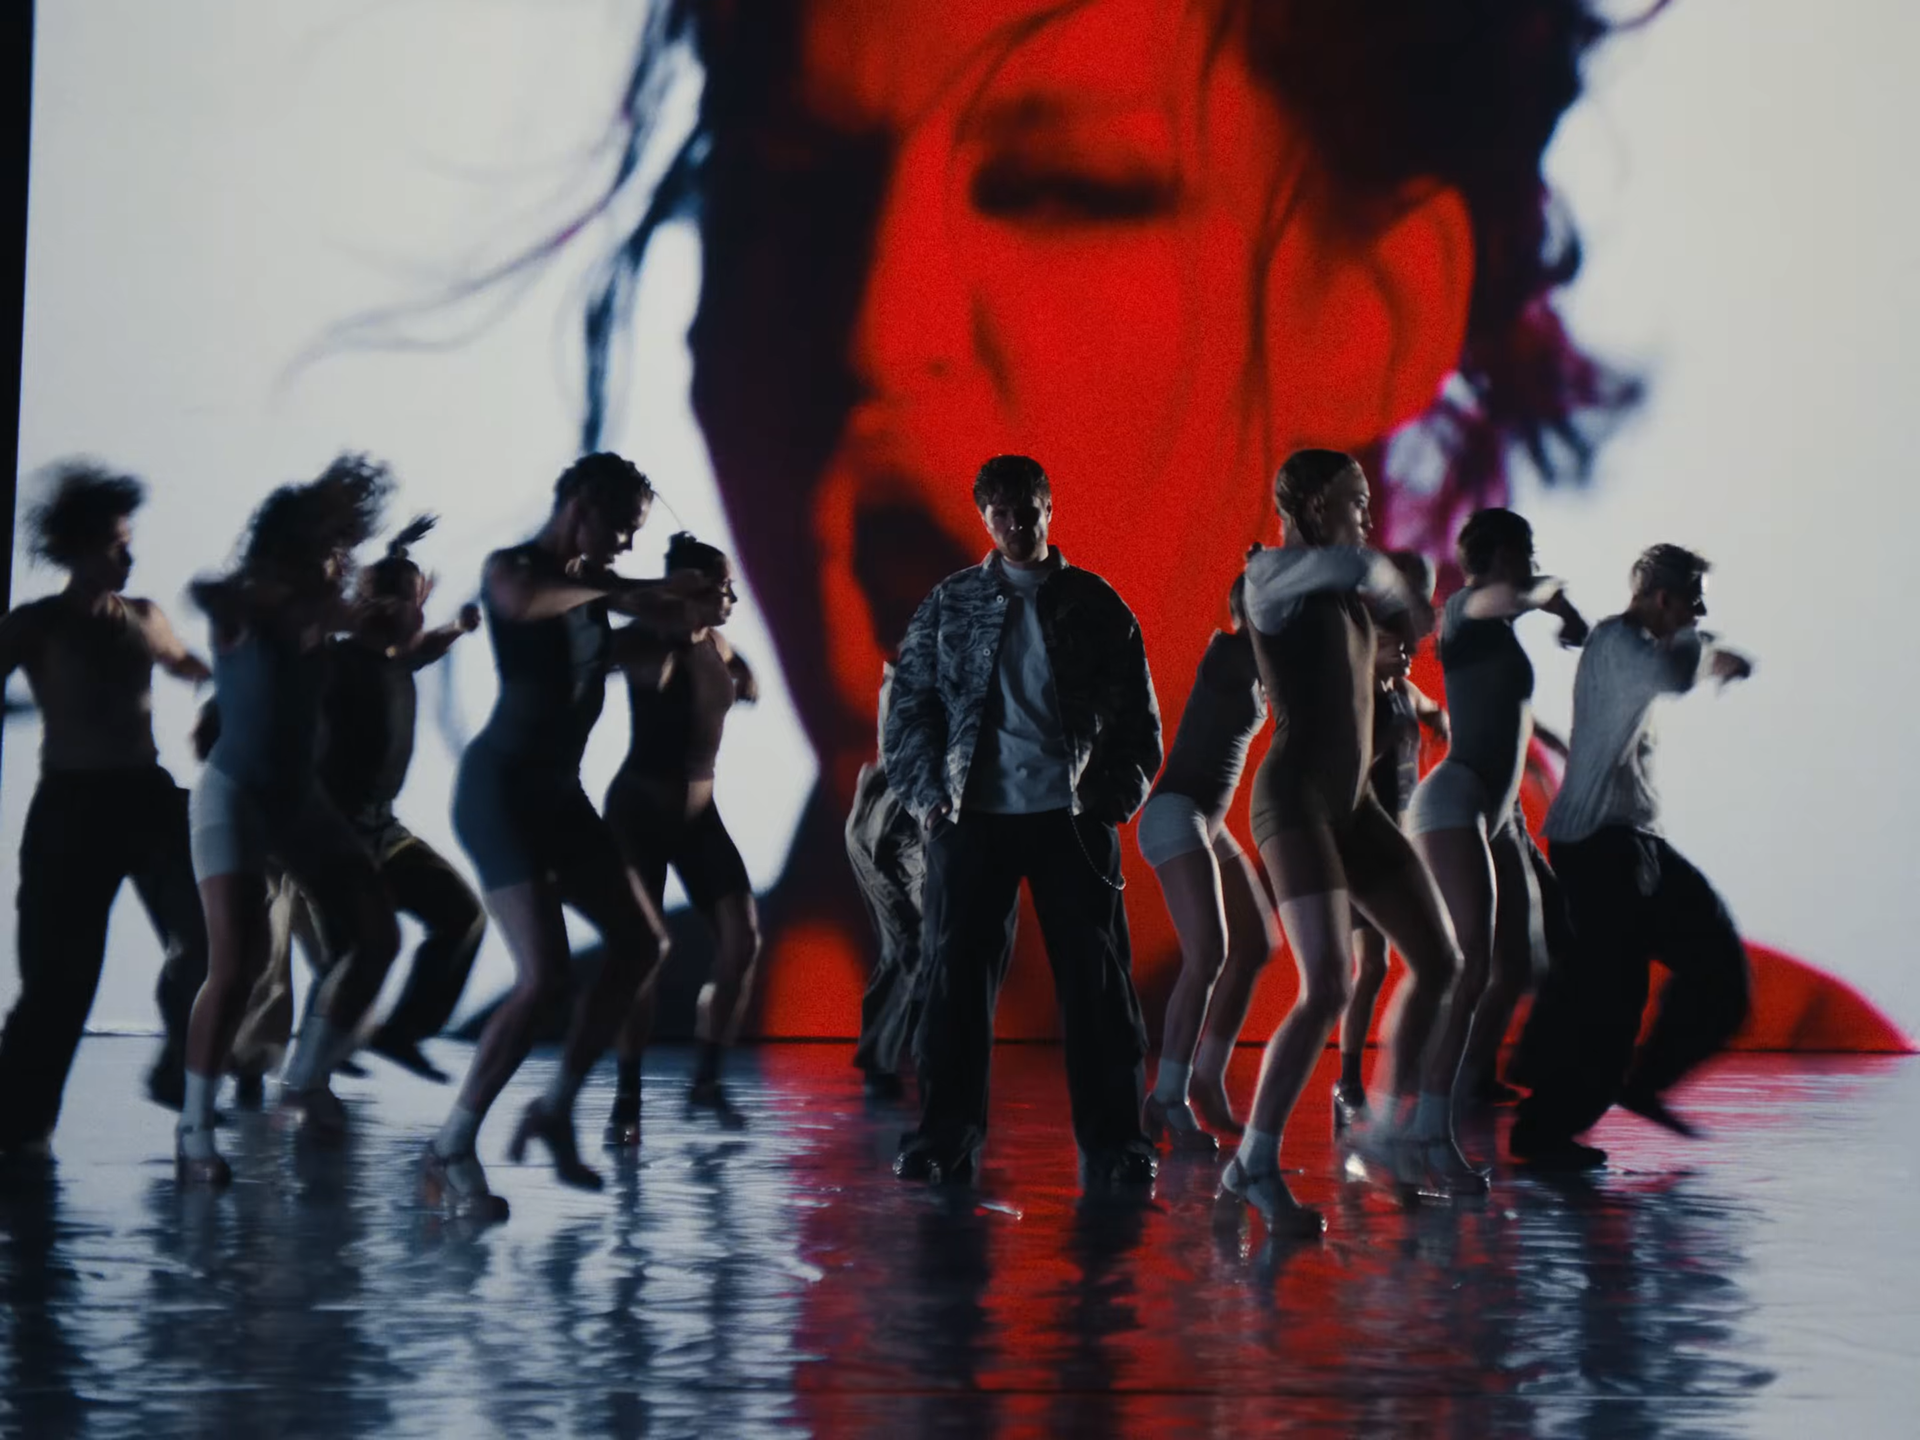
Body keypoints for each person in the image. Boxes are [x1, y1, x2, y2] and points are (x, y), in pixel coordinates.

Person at [418, 0, 1651, 1044]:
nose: (878, 336)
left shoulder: (1652, 1097)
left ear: (1366, 314)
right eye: (789, 191)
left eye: (1070, 188)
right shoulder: (571, 1068)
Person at [423, 453, 711, 1220]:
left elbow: (611, 655)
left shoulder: (591, 592)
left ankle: (555, 1107)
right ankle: (451, 1145)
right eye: (620, 529)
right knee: (544, 975)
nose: (626, 545)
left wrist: (688, 622)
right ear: (580, 505)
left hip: (561, 797)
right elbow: (528, 602)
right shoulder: (515, 569)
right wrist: (637, 591)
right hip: (501, 794)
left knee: (642, 944)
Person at [885, 454, 1161, 1188]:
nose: (1015, 525)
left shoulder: (1095, 604)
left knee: (1098, 987)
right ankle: (944, 1138)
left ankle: (1117, 1142)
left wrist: (1111, 801)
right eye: (1001, 513)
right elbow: (908, 709)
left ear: (1049, 508)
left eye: (1027, 510)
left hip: (1071, 819)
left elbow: (1139, 720)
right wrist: (930, 800)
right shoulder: (951, 603)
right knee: (954, 987)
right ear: (985, 517)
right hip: (972, 817)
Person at [1220, 449, 1467, 1239]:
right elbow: (1365, 566)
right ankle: (1255, 1163)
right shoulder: (1268, 577)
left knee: (1442, 960)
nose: (1367, 513)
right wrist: (1399, 590)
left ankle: (1393, 1131)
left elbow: (1377, 596)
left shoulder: (1338, 591)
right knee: (1327, 986)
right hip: (1293, 801)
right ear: (1313, 504)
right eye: (1355, 500)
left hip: (1354, 805)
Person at [176, 456, 404, 1186]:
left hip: (299, 802)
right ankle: (194, 1129)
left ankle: (304, 1079)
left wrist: (352, 614)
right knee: (236, 965)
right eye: (333, 547)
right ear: (300, 548)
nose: (344, 562)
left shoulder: (322, 610)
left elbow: (367, 624)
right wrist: (287, 602)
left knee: (378, 935)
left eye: (345, 548)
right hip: (235, 796)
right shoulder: (251, 603)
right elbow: (203, 591)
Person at [1509, 544, 1753, 1169]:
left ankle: (1630, 1085)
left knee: (1714, 968)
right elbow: (1676, 674)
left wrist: (1710, 654)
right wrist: (1708, 650)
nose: (1699, 613)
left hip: (1629, 842)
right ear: (1662, 597)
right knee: (1612, 1001)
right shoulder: (1619, 644)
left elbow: (1673, 668)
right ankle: (1544, 1128)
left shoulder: (1636, 647)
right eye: (1693, 600)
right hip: (1600, 846)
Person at [221, 516, 488, 1087]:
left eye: (419, 603)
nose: (419, 614)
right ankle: (299, 1076)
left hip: (383, 832)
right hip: (329, 836)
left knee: (462, 915)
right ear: (379, 607)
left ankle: (399, 1032)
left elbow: (425, 646)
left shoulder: (398, 657)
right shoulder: (334, 664)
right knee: (344, 955)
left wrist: (458, 627)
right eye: (411, 603)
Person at [0, 464, 213, 1156]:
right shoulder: (36, 624)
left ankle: (175, 1065)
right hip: (72, 809)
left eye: (130, 542)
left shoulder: (144, 617)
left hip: (146, 799)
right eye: (116, 545)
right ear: (77, 549)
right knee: (58, 984)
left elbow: (187, 664)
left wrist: (229, 675)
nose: (130, 556)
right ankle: (19, 1129)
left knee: (210, 936)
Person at [1405, 511, 1587, 1141]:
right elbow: (1510, 596)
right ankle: (1429, 1091)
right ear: (1502, 554)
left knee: (1520, 961)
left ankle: (1473, 1075)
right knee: (1474, 962)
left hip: (1499, 815)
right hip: (1455, 802)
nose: (1533, 559)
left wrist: (1551, 741)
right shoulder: (1464, 610)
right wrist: (1560, 603)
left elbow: (1500, 704)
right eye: (1525, 549)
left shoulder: (1500, 635)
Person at [601, 532, 763, 1144]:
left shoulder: (716, 642)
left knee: (742, 941)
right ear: (691, 586)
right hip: (639, 814)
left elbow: (743, 680)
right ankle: (627, 1099)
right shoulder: (645, 641)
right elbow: (592, 647)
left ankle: (706, 1083)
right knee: (641, 956)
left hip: (699, 816)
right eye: (723, 586)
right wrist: (653, 606)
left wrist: (744, 678)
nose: (732, 597)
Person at [1136, 568, 1276, 1153]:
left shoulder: (1259, 660)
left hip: (1206, 823)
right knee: (1210, 953)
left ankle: (1206, 1078)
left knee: (1257, 943)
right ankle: (1167, 1097)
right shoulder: (1230, 652)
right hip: (1176, 813)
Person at [1334, 553, 1448, 1132]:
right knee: (1375, 966)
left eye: (1406, 645)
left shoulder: (1402, 690)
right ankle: (1352, 1079)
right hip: (1364, 847)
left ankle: (1387, 1078)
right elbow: (1349, 772)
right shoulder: (1366, 701)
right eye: (1391, 644)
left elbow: (1429, 705)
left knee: (1397, 965)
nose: (1404, 652)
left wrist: (1437, 719)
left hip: (1398, 843)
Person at [846, 662, 928, 1098]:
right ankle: (879, 1061)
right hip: (889, 831)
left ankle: (899, 1054)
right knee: (911, 942)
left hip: (899, 830)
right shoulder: (915, 674)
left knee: (915, 944)